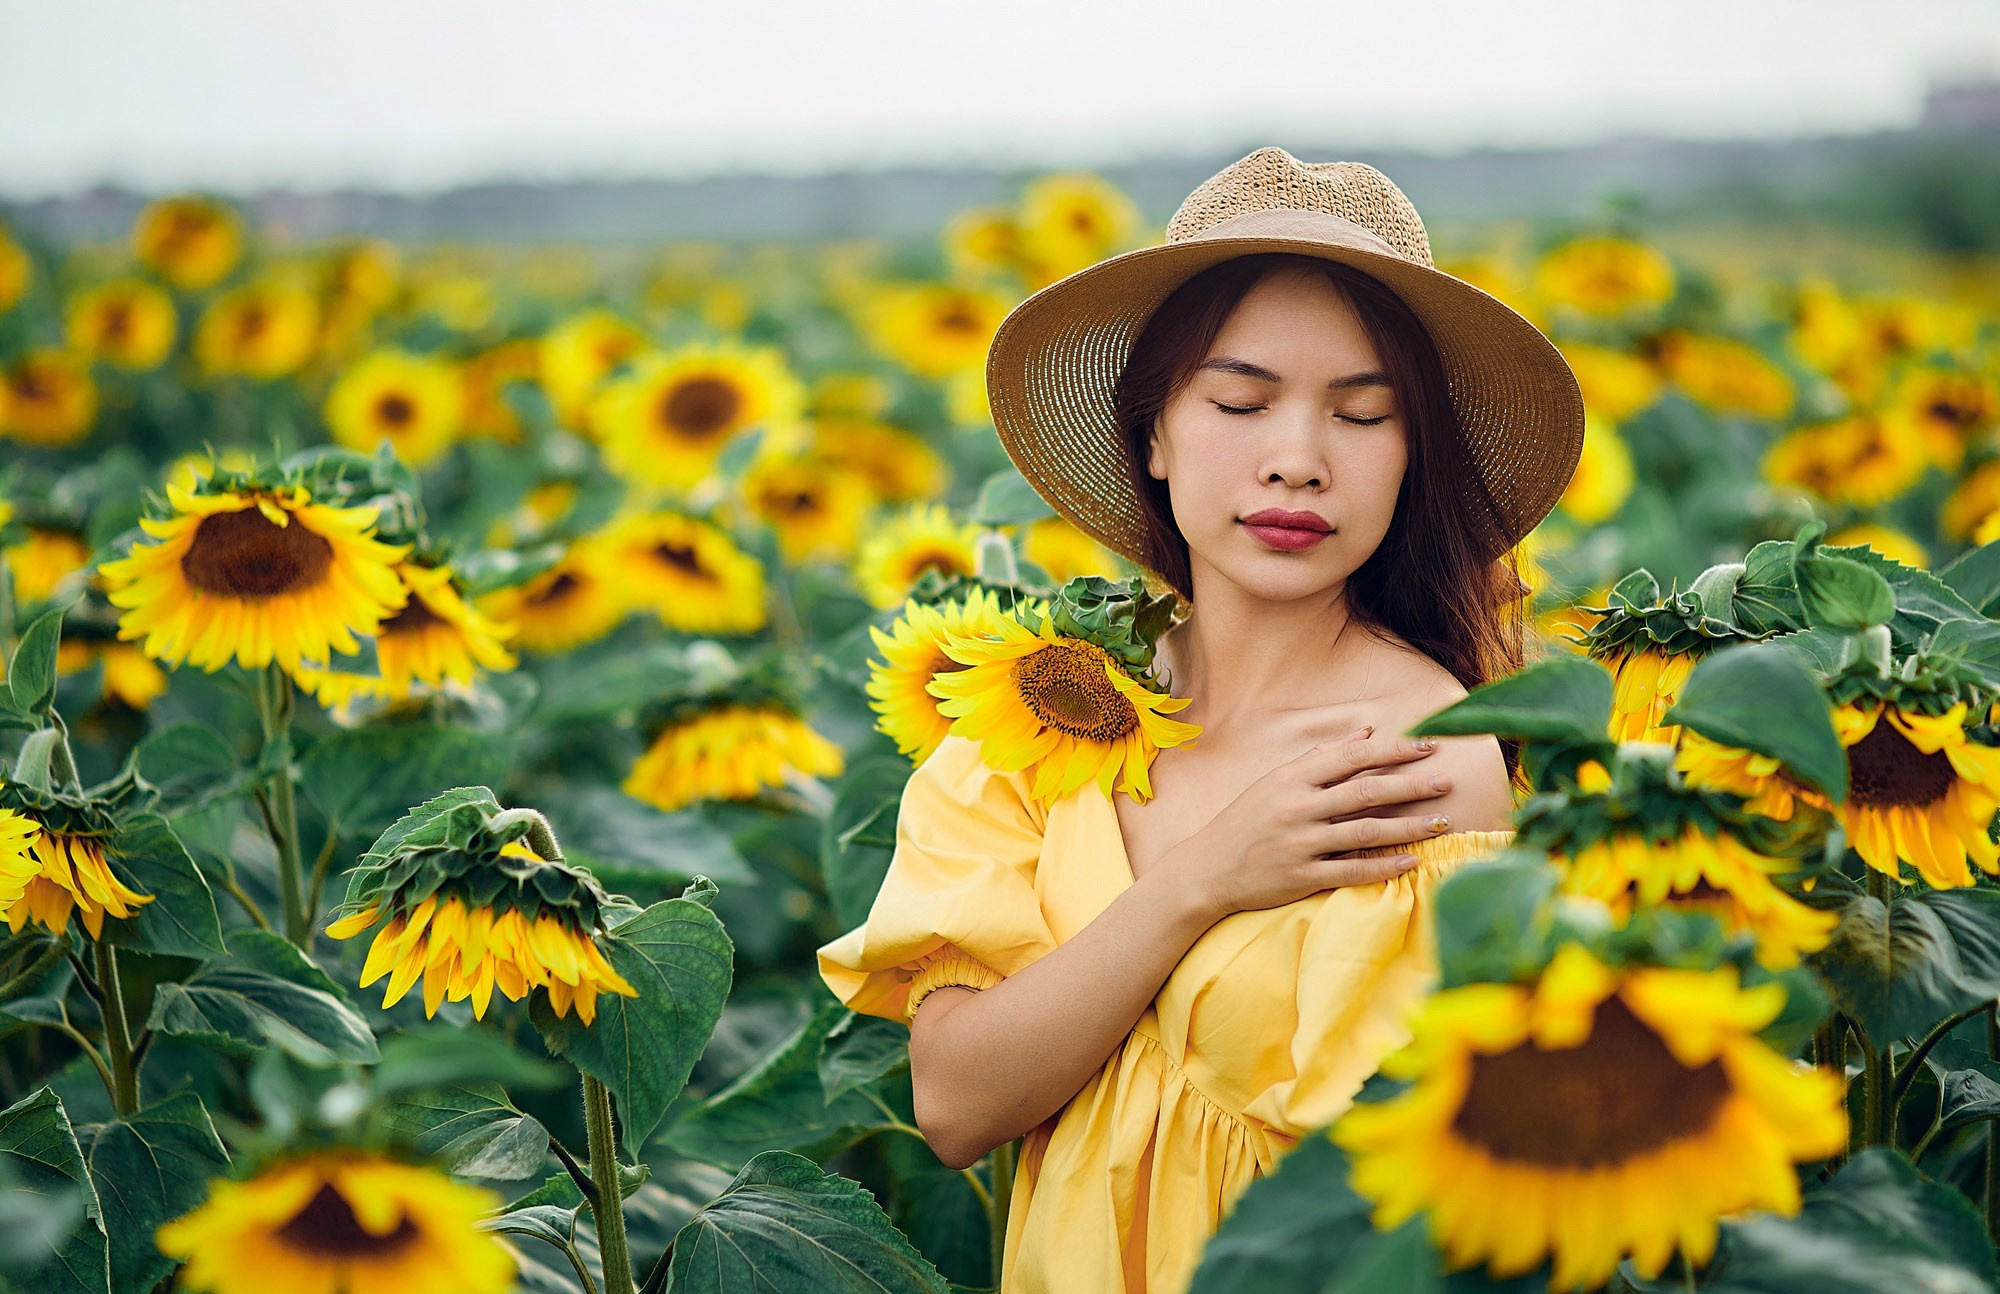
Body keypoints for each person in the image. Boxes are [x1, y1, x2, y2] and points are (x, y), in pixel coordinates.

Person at [817, 147, 1584, 1294]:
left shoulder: (1421, 756)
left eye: (1362, 416)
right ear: (1155, 435)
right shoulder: (1034, 723)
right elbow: (956, 1102)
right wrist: (1202, 878)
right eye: (1238, 401)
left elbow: (1409, 1194)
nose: (1297, 461)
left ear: (1409, 459)